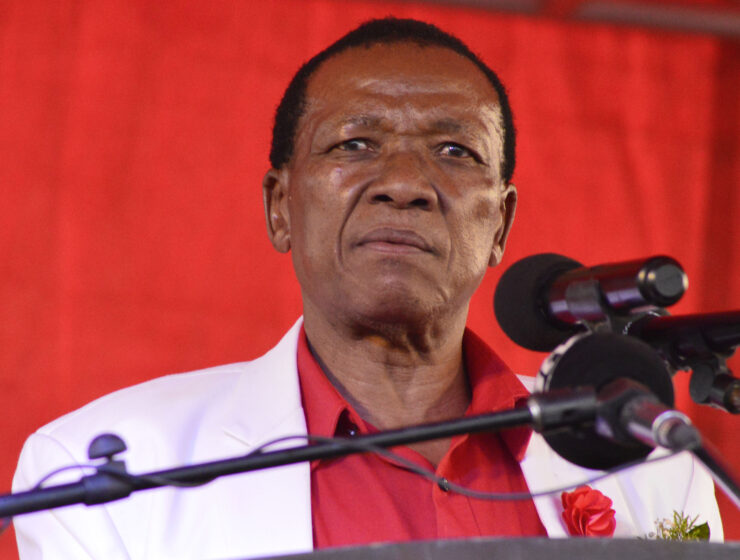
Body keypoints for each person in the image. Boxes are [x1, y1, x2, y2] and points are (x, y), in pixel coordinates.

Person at [13, 18, 722, 559]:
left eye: (455, 151)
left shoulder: (650, 454)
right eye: (355, 144)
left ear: (500, 225)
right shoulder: (102, 475)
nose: (406, 183)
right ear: (280, 207)